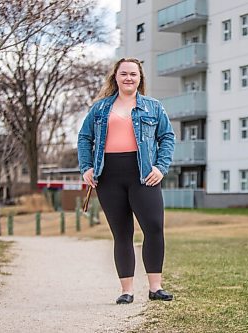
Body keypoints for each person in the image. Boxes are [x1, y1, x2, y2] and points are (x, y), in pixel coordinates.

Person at [77, 58, 175, 304]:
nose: (128, 78)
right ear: (116, 77)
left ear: (140, 78)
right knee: (122, 233)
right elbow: (84, 138)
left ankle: (156, 288)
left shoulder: (153, 107)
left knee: (154, 228)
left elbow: (167, 137)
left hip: (144, 175)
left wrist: (161, 167)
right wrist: (86, 167)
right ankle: (126, 291)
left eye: (133, 73)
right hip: (108, 177)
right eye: (124, 74)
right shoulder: (100, 109)